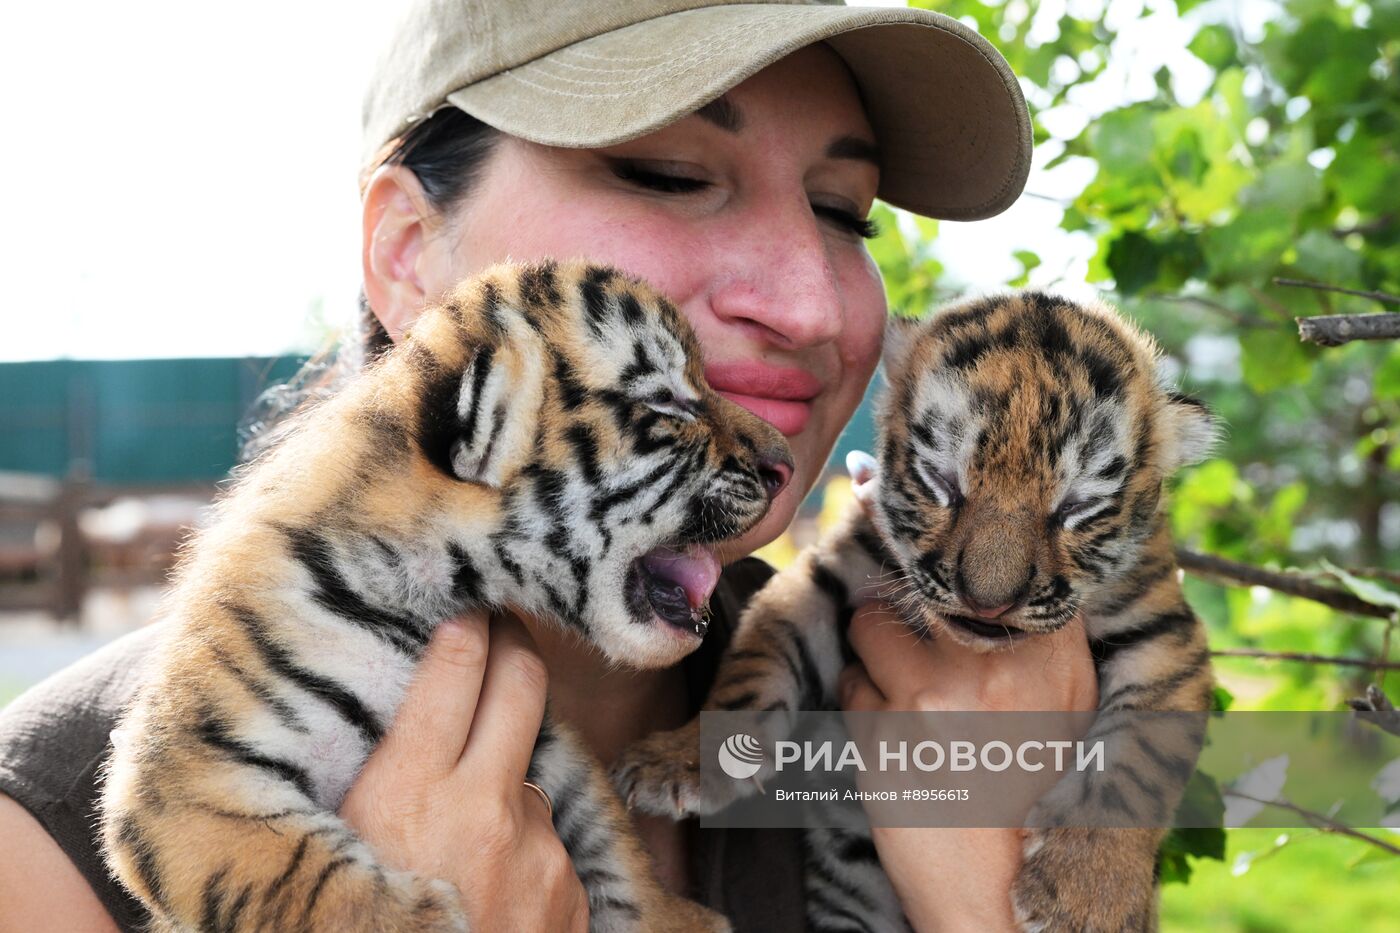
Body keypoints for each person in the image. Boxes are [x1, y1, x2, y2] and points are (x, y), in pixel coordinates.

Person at [0, 2, 1100, 931]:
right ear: (406, 254)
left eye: (840, 212)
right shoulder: (42, 829)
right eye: (667, 173)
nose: (811, 308)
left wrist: (1015, 891)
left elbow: (1262, 784)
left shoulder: (938, 704)